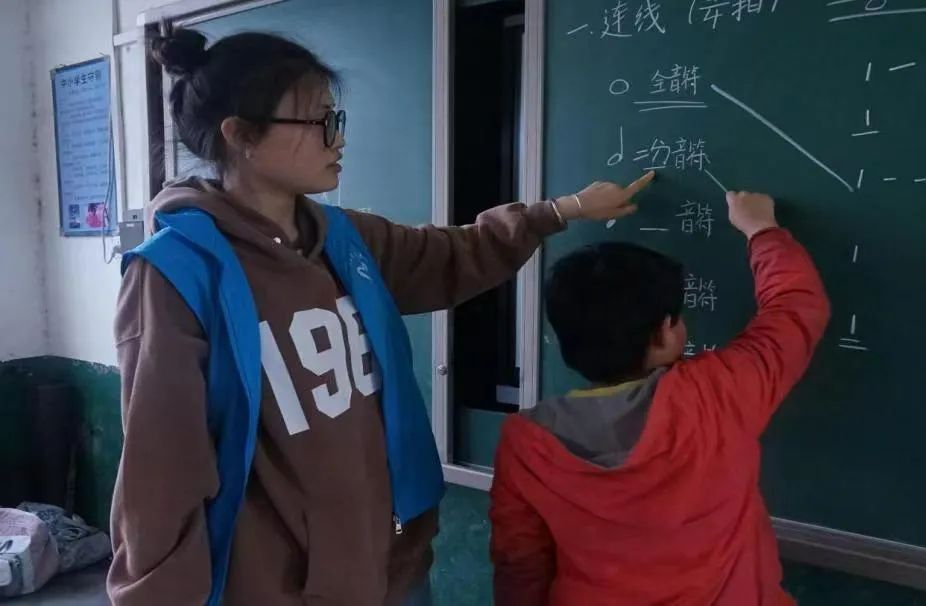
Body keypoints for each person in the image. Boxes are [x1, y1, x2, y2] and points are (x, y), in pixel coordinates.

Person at [108, 27, 653, 606]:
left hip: (393, 566)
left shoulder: (343, 240)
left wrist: (562, 210)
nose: (338, 138)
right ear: (241, 134)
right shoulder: (179, 274)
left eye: (336, 118)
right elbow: (161, 470)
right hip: (282, 588)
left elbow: (454, 253)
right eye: (320, 122)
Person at [489, 191, 831, 605]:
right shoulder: (715, 393)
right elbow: (794, 312)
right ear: (665, 332)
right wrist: (762, 230)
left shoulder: (525, 442)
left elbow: (520, 564)